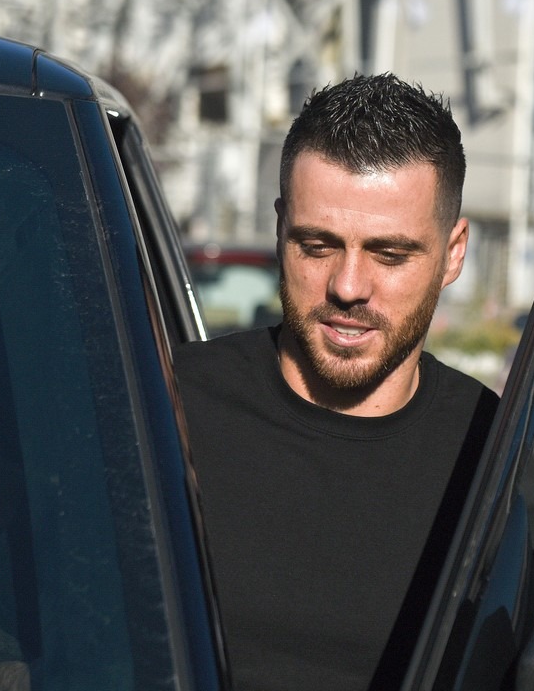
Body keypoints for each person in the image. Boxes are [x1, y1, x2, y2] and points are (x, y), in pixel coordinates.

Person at [172, 73, 498, 689]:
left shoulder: (492, 452)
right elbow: (12, 636)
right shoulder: (165, 408)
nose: (348, 287)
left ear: (454, 253)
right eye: (318, 246)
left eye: (390, 254)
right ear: (280, 229)